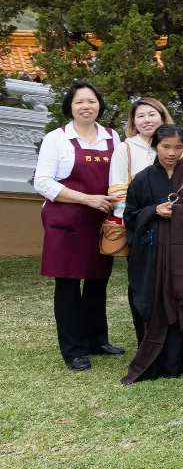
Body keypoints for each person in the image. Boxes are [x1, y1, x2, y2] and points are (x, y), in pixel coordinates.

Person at [34, 81, 124, 371]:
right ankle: (74, 350)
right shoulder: (56, 139)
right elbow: (43, 182)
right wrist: (86, 199)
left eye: (92, 101)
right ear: (70, 107)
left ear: (100, 105)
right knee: (69, 284)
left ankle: (98, 340)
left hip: (100, 219)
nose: (86, 106)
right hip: (67, 221)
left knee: (98, 281)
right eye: (79, 102)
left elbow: (118, 177)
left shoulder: (112, 137)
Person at [122, 125, 183, 384]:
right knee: (154, 302)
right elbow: (130, 216)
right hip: (154, 255)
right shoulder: (143, 178)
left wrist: (180, 213)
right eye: (166, 146)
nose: (172, 152)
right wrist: (154, 211)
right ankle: (158, 358)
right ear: (155, 146)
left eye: (178, 147)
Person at [109, 96, 172, 343]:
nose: (147, 120)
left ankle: (170, 337)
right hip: (140, 228)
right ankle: (145, 338)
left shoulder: (174, 146)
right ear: (133, 122)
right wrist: (140, 222)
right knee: (141, 284)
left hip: (171, 228)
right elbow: (117, 193)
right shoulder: (125, 149)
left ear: (162, 116)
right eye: (140, 116)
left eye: (152, 114)